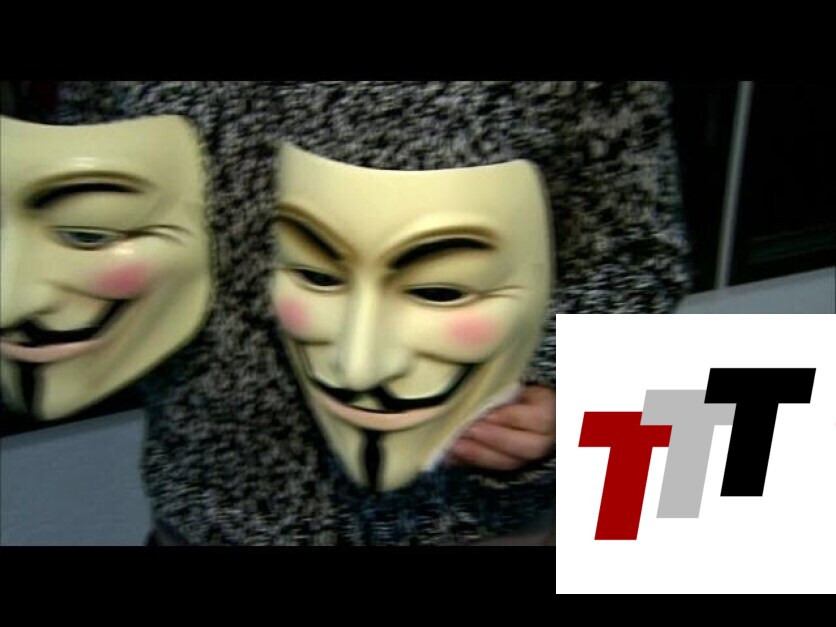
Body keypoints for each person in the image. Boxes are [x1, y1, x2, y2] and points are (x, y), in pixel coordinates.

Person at [43, 81, 691, 545]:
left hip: (456, 515)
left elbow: (635, 249)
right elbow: (76, 195)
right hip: (209, 501)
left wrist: (550, 379)